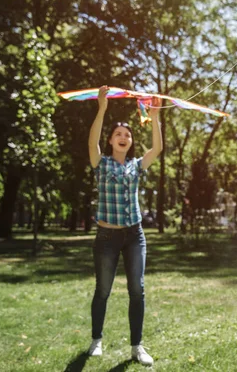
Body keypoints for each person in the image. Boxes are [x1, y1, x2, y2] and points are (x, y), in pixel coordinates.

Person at [87, 85, 162, 366]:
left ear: (131, 142)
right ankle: (96, 340)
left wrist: (154, 117)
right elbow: (92, 141)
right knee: (103, 290)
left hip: (134, 236)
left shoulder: (135, 167)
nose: (123, 137)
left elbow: (157, 148)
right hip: (106, 236)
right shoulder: (101, 163)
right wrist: (102, 107)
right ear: (110, 141)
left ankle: (137, 347)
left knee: (137, 290)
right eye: (118, 134)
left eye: (127, 135)